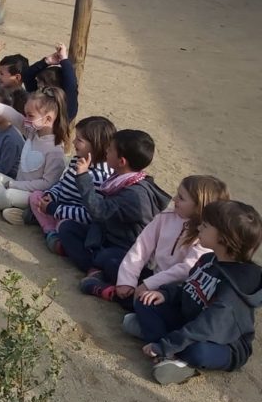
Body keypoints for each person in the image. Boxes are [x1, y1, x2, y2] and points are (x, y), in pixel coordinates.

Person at [127, 200, 262, 385]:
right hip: (190, 322)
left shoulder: (235, 286)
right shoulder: (207, 259)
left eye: (205, 226)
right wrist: (165, 294)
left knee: (197, 352)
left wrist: (165, 345)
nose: (198, 227)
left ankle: (170, 355)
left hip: (222, 343)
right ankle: (165, 347)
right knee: (145, 301)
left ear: (224, 238)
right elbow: (187, 288)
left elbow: (207, 326)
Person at [86, 175, 229, 303]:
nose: (174, 199)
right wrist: (127, 280)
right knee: (110, 258)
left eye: (181, 198)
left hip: (174, 290)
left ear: (199, 207)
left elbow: (186, 270)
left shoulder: (205, 235)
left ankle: (111, 293)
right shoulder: (166, 216)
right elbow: (142, 246)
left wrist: (148, 285)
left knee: (149, 303)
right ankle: (121, 290)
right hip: (153, 275)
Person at [57, 129, 170, 286]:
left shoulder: (134, 195)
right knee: (67, 228)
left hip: (124, 248)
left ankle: (94, 269)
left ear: (121, 162)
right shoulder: (122, 179)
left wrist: (83, 176)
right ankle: (94, 266)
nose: (106, 151)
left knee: (109, 260)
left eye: (110, 149)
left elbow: (98, 211)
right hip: (108, 236)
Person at [0, 87, 69, 221]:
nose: (25, 119)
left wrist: (14, 186)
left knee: (7, 195)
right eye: (25, 114)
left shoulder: (55, 150)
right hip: (15, 185)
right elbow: (10, 113)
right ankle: (8, 206)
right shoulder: (32, 132)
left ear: (47, 119)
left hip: (32, 195)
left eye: (30, 116)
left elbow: (47, 184)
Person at [28, 116, 116, 252]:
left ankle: (51, 231)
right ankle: (49, 228)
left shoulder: (101, 177)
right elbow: (62, 184)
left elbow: (89, 215)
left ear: (96, 145)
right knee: (36, 197)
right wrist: (51, 195)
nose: (73, 142)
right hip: (59, 207)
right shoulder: (77, 160)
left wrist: (55, 209)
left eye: (79, 140)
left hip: (74, 217)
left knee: (65, 225)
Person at [22, 42, 78, 120]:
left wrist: (64, 59)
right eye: (39, 82)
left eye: (44, 83)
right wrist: (46, 61)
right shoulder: (38, 95)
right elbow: (27, 76)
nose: (39, 86)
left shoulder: (66, 106)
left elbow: (71, 84)